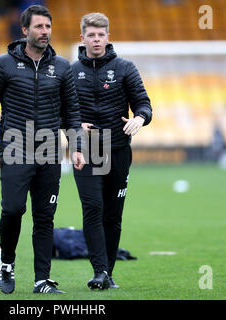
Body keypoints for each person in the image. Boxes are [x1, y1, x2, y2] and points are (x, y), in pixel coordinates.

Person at [0, 5, 85, 294]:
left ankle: (42, 280)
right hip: (15, 147)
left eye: (48, 27)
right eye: (38, 27)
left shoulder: (61, 67)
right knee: (13, 210)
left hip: (49, 150)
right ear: (25, 30)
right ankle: (7, 264)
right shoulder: (3, 64)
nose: (44, 32)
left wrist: (76, 146)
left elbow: (72, 112)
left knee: (45, 216)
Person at [71, 13, 152, 290]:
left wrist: (139, 118)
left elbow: (144, 104)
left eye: (101, 34)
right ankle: (99, 271)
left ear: (108, 36)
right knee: (93, 208)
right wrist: (73, 124)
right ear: (82, 38)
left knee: (113, 215)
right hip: (86, 150)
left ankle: (109, 272)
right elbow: (58, 111)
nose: (96, 39)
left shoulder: (125, 68)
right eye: (91, 35)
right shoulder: (70, 72)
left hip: (118, 150)